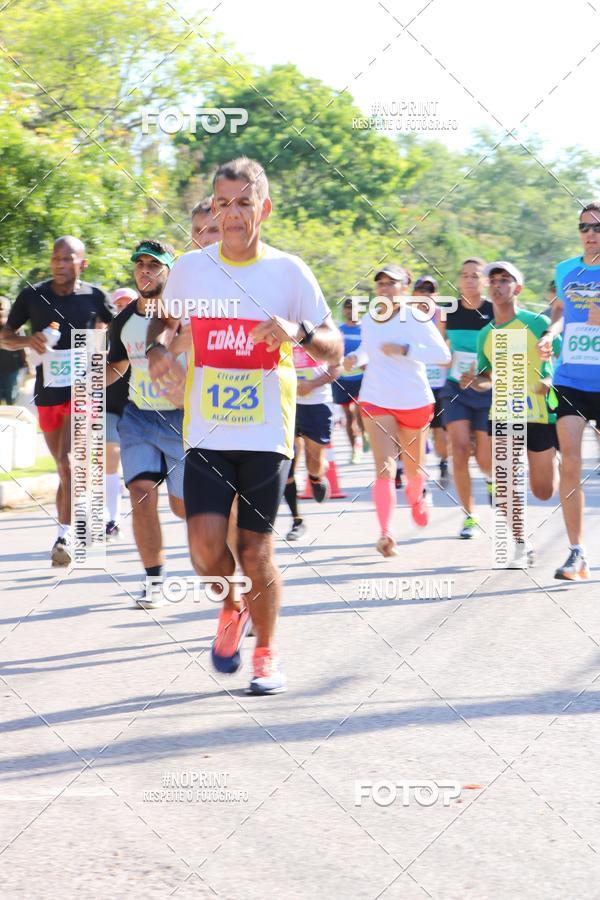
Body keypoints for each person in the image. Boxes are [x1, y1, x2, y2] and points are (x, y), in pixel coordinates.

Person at [146, 156, 343, 694]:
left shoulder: (289, 272)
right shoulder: (191, 268)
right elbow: (166, 322)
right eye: (223, 204)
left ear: (265, 208)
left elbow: (333, 343)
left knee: (256, 551)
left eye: (244, 204)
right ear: (215, 208)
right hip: (207, 429)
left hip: (266, 432)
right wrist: (160, 350)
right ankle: (231, 606)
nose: (233, 215)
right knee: (206, 549)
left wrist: (295, 330)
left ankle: (267, 653)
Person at [0, 237, 113, 566]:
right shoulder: (33, 295)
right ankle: (78, 521)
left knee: (68, 463)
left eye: (68, 259)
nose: (60, 265)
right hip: (49, 391)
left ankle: (65, 535)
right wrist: (27, 339)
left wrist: (104, 346)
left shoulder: (95, 297)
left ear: (83, 264)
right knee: (64, 468)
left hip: (85, 388)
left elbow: (118, 331)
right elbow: (5, 336)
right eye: (56, 258)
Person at [344, 264, 451, 557]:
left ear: (404, 287)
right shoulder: (369, 318)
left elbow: (443, 356)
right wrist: (355, 357)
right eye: (381, 284)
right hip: (376, 398)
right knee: (384, 468)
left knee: (414, 468)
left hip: (414, 400)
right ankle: (385, 533)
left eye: (392, 283)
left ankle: (417, 496)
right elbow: (369, 348)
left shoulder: (416, 317)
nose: (385, 289)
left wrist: (406, 349)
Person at [106, 241, 187, 606]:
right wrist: (87, 379)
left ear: (169, 271)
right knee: (140, 496)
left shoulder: (185, 313)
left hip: (182, 418)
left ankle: (225, 569)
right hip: (138, 417)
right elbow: (118, 365)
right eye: (140, 264)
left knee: (183, 507)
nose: (145, 270)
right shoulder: (123, 321)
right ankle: (154, 580)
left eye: (154, 265)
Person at [465, 261, 559, 567]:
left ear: (517, 289)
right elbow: (486, 376)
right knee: (505, 479)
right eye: (493, 280)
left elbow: (561, 359)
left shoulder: (537, 323)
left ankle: (549, 462)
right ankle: (520, 541)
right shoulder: (485, 335)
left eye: (505, 280)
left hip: (540, 415)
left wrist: (549, 381)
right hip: (504, 411)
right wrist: (474, 381)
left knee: (543, 491)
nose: (497, 285)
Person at [538, 202, 600, 580]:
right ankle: (576, 553)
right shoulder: (566, 269)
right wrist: (549, 333)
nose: (591, 234)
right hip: (571, 378)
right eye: (584, 227)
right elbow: (561, 312)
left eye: (598, 228)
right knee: (571, 462)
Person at [438, 258, 494, 539]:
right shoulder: (449, 311)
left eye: (475, 276)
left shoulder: (494, 311)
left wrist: (486, 377)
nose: (469, 280)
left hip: (487, 390)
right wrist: (444, 358)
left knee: (485, 459)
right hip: (455, 388)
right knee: (458, 450)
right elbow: (437, 345)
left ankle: (489, 478)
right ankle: (469, 515)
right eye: (464, 275)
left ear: (485, 281)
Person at [283, 346, 340, 540]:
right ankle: (297, 520)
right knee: (286, 465)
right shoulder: (278, 329)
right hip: (286, 404)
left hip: (317, 404)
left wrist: (312, 384)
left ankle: (315, 477)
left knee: (314, 464)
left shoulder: (322, 332)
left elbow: (335, 369)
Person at [105, 287, 137, 539]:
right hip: (109, 405)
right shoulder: (105, 333)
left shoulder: (150, 329)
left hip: (139, 407)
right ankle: (113, 519)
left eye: (128, 303)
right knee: (110, 458)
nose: (123, 307)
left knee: (134, 470)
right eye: (119, 304)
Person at [412, 276, 450, 483]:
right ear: (413, 293)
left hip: (439, 379)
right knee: (416, 428)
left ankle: (444, 462)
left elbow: (446, 344)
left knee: (438, 428)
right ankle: (415, 470)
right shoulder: (406, 316)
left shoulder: (441, 315)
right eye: (421, 289)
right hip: (415, 379)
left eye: (430, 290)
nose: (425, 293)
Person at [333, 297, 366, 463]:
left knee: (361, 412)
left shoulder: (365, 329)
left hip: (362, 378)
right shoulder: (339, 331)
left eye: (353, 307)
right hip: (343, 379)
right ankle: (354, 449)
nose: (350, 310)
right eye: (347, 307)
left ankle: (364, 434)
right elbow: (334, 353)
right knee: (348, 415)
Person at [0, 297, 28, 404]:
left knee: (11, 395)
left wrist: (27, 364)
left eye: (2, 309)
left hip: (12, 368)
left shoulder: (14, 327)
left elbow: (23, 346)